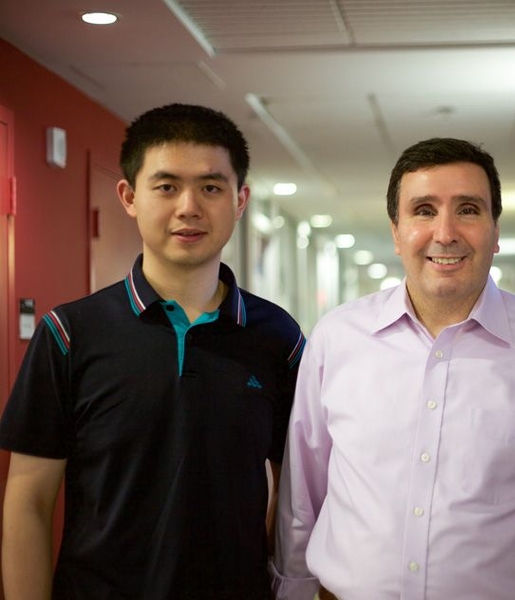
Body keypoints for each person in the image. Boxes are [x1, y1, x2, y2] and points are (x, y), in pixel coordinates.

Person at [271, 137, 515, 599]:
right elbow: (302, 497)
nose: (446, 232)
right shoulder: (337, 341)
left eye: (469, 209)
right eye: (424, 210)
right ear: (396, 231)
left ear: (495, 231)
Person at [0, 103, 306, 599]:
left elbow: (297, 493)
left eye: (211, 187)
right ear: (129, 196)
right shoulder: (70, 334)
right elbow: (28, 501)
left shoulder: (278, 338)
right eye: (166, 186)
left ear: (240, 199)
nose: (189, 207)